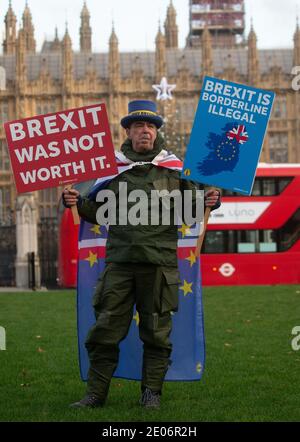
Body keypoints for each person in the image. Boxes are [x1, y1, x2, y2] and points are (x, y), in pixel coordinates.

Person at [63, 100, 220, 409]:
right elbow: (97, 212)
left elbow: (191, 212)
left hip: (159, 265)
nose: (145, 131)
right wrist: (76, 201)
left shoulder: (174, 171)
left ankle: (151, 394)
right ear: (128, 132)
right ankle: (95, 394)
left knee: (156, 333)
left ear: (156, 132)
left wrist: (211, 202)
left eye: (150, 126)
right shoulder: (114, 170)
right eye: (138, 126)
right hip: (120, 264)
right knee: (106, 330)